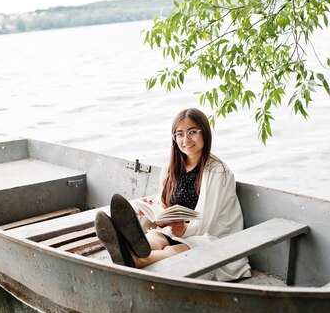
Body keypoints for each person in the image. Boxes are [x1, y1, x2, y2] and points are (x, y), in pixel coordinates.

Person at [95, 108, 251, 282]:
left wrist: (184, 229)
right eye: (180, 134)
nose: (186, 140)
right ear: (174, 138)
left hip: (211, 236)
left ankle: (136, 259)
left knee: (178, 249)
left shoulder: (218, 172)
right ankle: (127, 246)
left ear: (205, 133)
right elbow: (165, 206)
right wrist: (151, 211)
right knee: (155, 238)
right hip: (175, 230)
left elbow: (208, 222)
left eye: (192, 132)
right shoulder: (170, 169)